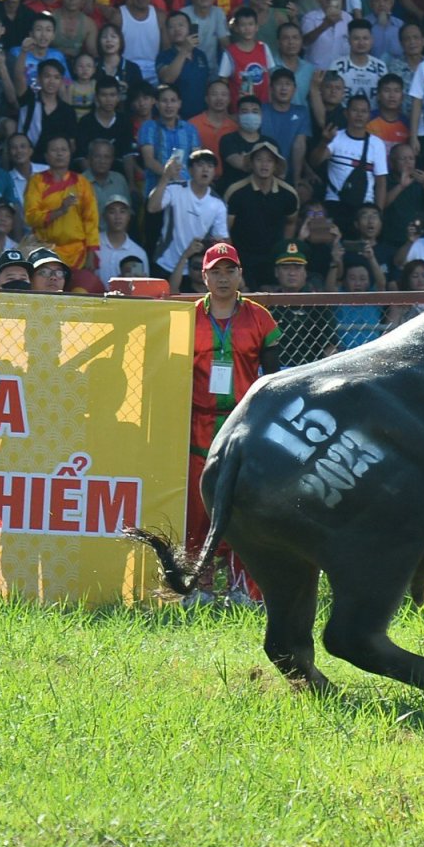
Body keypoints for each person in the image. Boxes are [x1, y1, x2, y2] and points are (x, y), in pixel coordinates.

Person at [183, 241, 282, 606]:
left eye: (230, 270)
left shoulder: (260, 318)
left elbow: (272, 379)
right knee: (197, 507)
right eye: (215, 271)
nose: (223, 278)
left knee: (242, 508)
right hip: (197, 424)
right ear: (203, 276)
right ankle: (199, 587)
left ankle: (242, 588)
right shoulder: (187, 318)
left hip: (242, 427)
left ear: (240, 274)